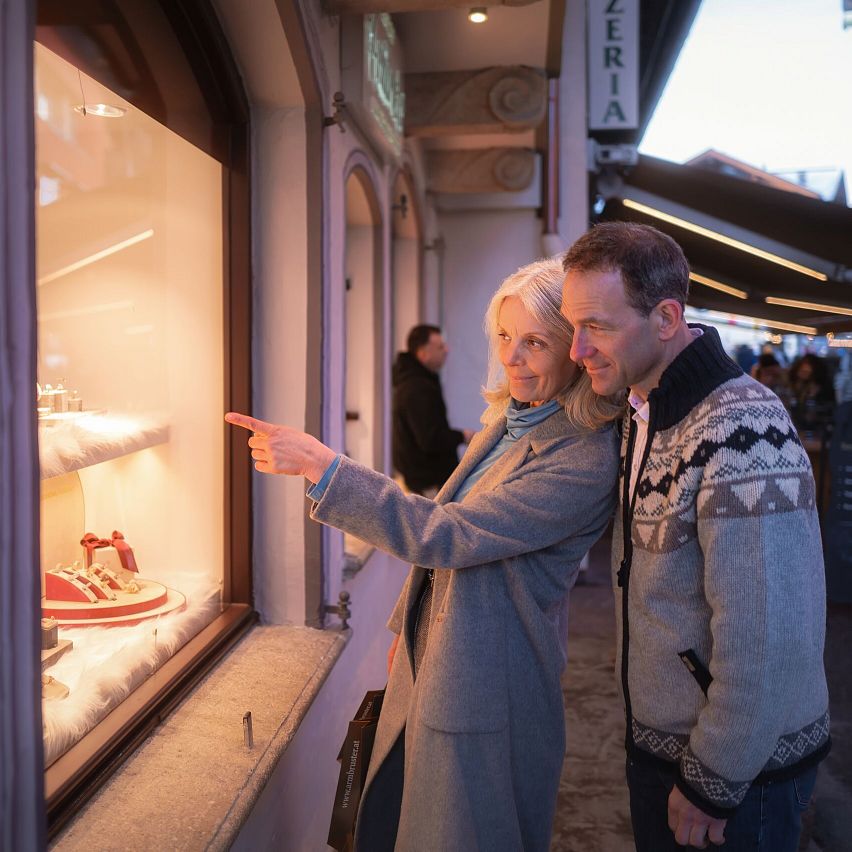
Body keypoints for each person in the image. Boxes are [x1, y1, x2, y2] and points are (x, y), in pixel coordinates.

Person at [227, 258, 623, 851]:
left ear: (575, 349)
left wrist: (322, 465)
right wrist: (406, 627)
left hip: (490, 677)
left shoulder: (582, 457)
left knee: (461, 831)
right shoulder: (510, 422)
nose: (512, 357)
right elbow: (445, 540)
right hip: (439, 653)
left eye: (535, 342)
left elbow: (447, 532)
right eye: (505, 336)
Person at [561, 222, 831, 852]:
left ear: (666, 318)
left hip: (739, 776)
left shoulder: (743, 427)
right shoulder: (642, 407)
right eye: (573, 326)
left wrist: (715, 777)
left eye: (596, 326)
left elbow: (769, 633)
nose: (577, 350)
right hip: (667, 751)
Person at [392, 324, 473, 496]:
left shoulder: (416, 381)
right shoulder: (417, 388)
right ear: (423, 354)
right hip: (428, 484)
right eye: (440, 347)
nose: (447, 350)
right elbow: (430, 439)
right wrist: (463, 436)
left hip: (425, 480)